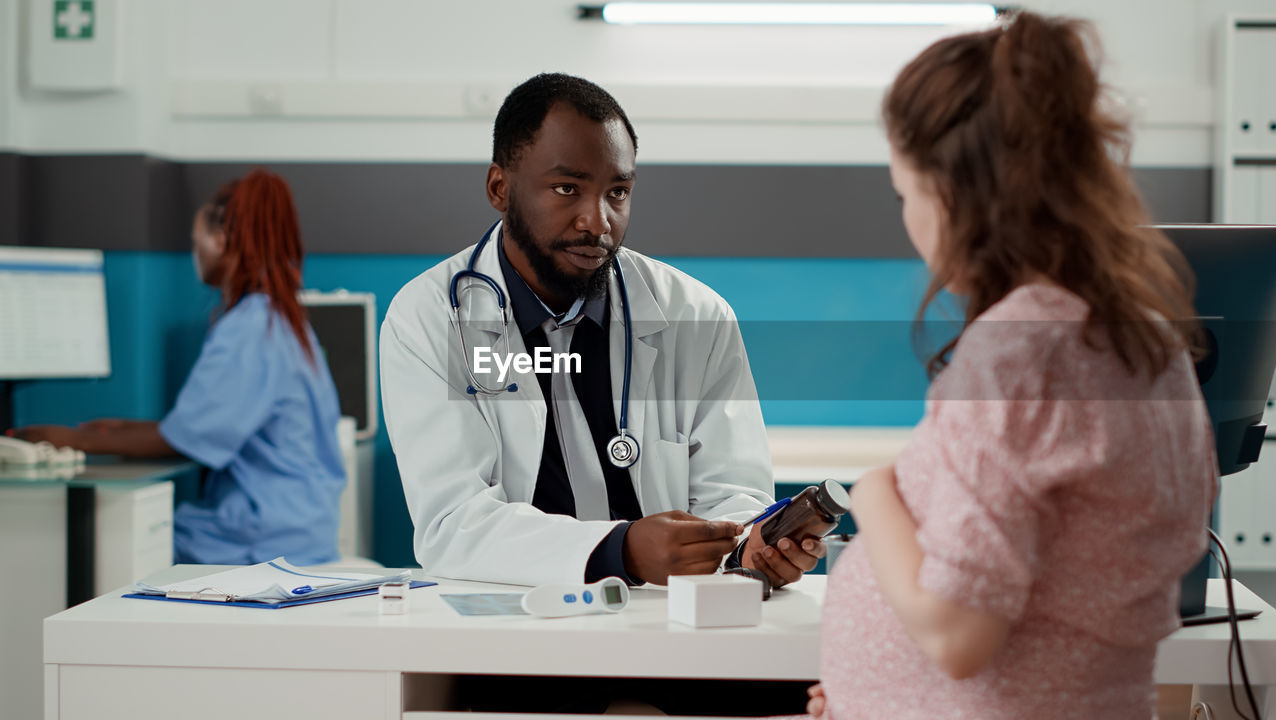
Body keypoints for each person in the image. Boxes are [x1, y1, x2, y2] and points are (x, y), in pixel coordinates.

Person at [800, 12, 1220, 720]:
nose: (909, 222)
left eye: (907, 193)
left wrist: (872, 494)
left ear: (956, 190)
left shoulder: (1019, 350)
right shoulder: (1147, 340)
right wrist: (875, 691)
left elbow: (958, 634)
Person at [382, 73, 824, 592]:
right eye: (567, 188)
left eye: (618, 192)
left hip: (670, 624)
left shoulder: (696, 314)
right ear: (500, 188)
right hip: (515, 625)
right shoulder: (430, 318)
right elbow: (452, 524)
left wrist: (753, 546)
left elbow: (734, 496)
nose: (598, 221)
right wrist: (620, 550)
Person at [16, 170, 346, 566]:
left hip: (262, 540)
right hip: (305, 528)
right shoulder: (285, 321)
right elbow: (204, 425)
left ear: (222, 241)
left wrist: (73, 440)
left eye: (196, 243)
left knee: (123, 545)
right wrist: (120, 429)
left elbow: (186, 437)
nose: (197, 256)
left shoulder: (248, 329)